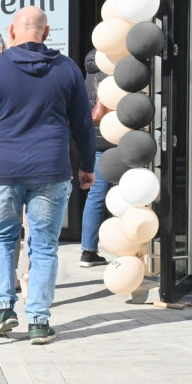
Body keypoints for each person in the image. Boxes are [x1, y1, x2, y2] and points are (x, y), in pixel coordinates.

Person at [0, 6, 95, 345]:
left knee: (2, 239)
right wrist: (87, 166)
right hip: (52, 168)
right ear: (46, 33)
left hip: (4, 170)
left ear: (11, 31)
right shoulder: (66, 69)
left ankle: (4, 309)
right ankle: (38, 320)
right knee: (45, 245)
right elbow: (82, 124)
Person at [79, 49, 113, 268]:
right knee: (130, 194)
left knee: (96, 196)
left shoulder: (91, 66)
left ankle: (88, 251)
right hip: (119, 136)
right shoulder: (117, 61)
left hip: (97, 138)